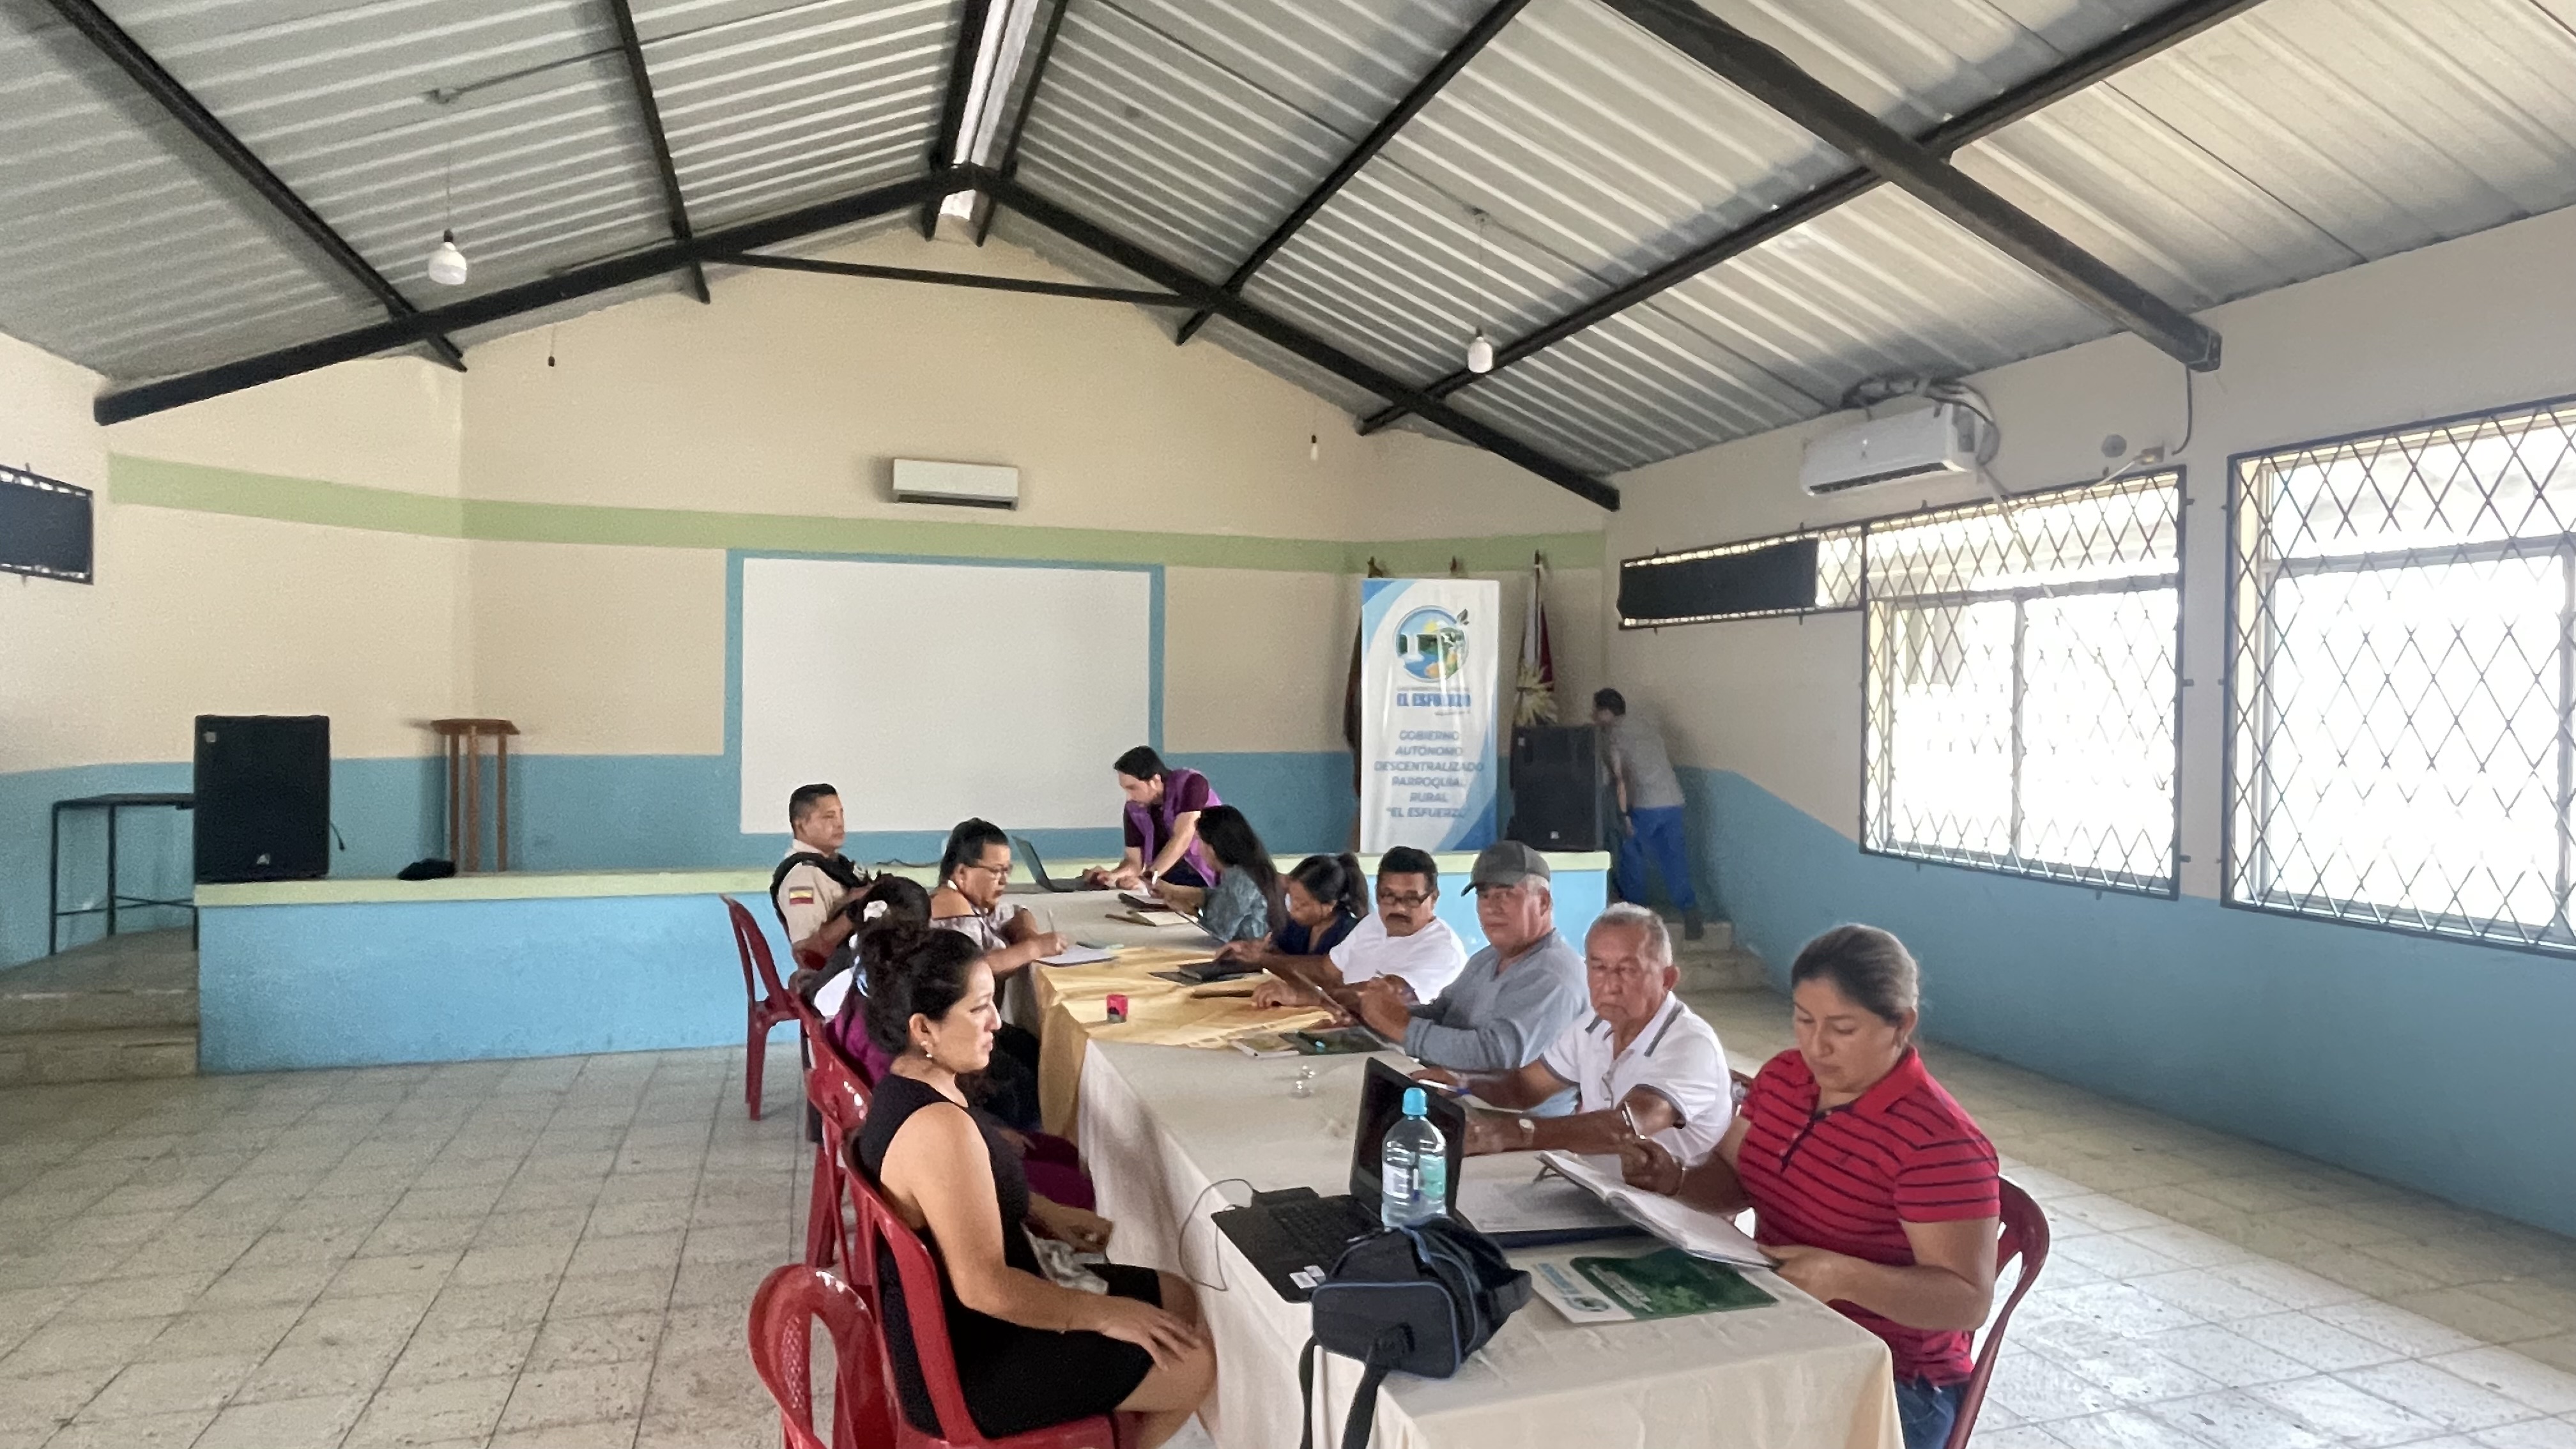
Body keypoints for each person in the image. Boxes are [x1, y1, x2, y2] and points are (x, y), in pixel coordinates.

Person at [1615, 925, 1999, 1449]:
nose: (1817, 1046)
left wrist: (1846, 1278)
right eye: (1804, 1019)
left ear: (1901, 1024)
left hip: (1893, 1377)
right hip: (1780, 1321)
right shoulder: (1784, 1078)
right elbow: (1741, 1181)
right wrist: (1676, 1179)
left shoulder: (1936, 1141)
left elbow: (1966, 1301)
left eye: (1843, 1028)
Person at [850, 923, 1215, 1447]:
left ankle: (1100, 1430)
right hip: (967, 1359)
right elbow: (984, 1288)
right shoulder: (936, 1128)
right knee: (1191, 1365)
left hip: (969, 1321)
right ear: (923, 1028)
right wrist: (1103, 1314)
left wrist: (1043, 1210)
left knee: (1174, 1297)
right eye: (979, 1009)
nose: (996, 1022)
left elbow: (965, 1196)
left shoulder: (909, 1086)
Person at [1421, 903, 1731, 1165]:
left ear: (1667, 979)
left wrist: (1515, 1132)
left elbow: (1625, 1127)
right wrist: (1463, 1083)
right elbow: (1526, 1086)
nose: (1610, 985)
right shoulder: (1594, 1025)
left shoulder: (1690, 1045)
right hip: (1597, 1185)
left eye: (1627, 970)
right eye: (1598, 968)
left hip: (1668, 1208)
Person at [1349, 842, 1586, 1100]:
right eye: (1484, 895)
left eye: (1505, 894)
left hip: (1512, 1119)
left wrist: (1399, 1024)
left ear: (1543, 901)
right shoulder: (1488, 958)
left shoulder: (1552, 974)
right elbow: (1442, 1013)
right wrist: (1370, 1010)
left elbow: (1496, 1056)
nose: (1492, 906)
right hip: (1457, 1099)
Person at [1250, 847, 1466, 1009]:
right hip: (1342, 1026)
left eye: (1411, 899)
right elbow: (1326, 970)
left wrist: (1306, 997)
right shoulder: (1374, 923)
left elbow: (1386, 995)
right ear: (1377, 892)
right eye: (1388, 896)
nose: (1398, 908)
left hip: (1390, 1046)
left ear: (1433, 898)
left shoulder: (1443, 951)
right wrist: (1263, 959)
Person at [1593, 688, 1703, 940]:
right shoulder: (1647, 726)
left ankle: (1635, 915)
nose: (1594, 716)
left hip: (1646, 805)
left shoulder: (1615, 736)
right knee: (1674, 859)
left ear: (1606, 712)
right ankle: (1690, 912)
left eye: (1597, 711)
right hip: (1673, 801)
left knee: (1632, 855)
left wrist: (1625, 815)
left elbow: (1621, 780)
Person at [930, 820, 1071, 979]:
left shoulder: (975, 901)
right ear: (962, 873)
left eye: (1007, 871)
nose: (1004, 880)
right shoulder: (950, 905)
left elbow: (1018, 913)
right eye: (996, 871)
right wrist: (1034, 948)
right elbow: (973, 970)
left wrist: (1026, 935)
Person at [1081, 746, 1220, 893]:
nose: (1129, 797)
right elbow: (1134, 862)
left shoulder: (1191, 783)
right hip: (1165, 882)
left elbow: (1183, 837)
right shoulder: (1133, 809)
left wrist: (1147, 878)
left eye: (1133, 788)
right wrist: (1112, 876)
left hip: (1207, 878)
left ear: (1155, 780)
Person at [1216, 852, 1364, 977]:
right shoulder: (1297, 926)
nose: (1293, 909)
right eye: (1291, 899)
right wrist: (1246, 951)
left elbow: (1324, 972)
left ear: (1329, 905)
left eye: (1302, 904)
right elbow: (1279, 953)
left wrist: (1265, 959)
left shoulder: (1350, 934)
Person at [772, 782, 868, 952]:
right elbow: (808, 951)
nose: (839, 824)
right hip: (846, 966)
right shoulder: (803, 878)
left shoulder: (835, 865)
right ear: (801, 825)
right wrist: (856, 909)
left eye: (841, 815)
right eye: (829, 817)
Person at [1190, 805, 1284, 945]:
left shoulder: (1240, 879)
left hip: (1246, 956)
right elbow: (1221, 900)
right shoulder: (1251, 870)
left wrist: (1191, 913)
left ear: (1212, 848)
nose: (1197, 850)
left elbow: (1216, 935)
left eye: (1199, 842)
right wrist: (1177, 894)